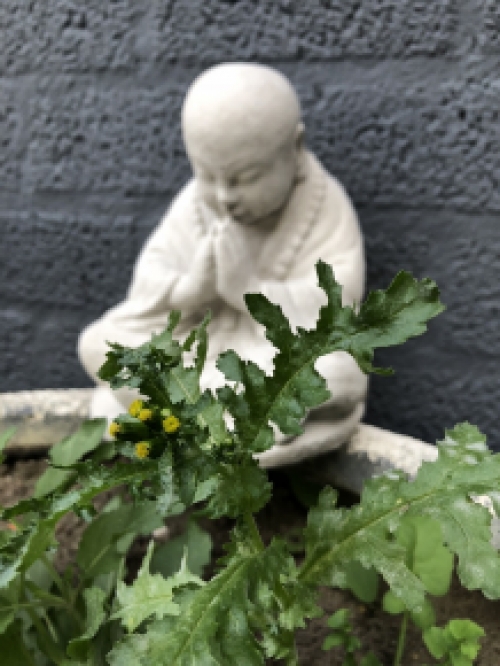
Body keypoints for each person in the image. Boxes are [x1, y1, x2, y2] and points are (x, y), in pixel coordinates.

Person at [78, 63, 368, 464]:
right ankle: (230, 414)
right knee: (99, 342)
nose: (223, 195)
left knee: (339, 372)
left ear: (295, 150)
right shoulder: (195, 205)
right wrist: (188, 291)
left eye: (246, 177)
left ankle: (210, 410)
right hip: (199, 355)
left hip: (269, 359)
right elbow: (148, 285)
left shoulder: (325, 208)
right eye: (205, 174)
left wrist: (251, 292)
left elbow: (337, 316)